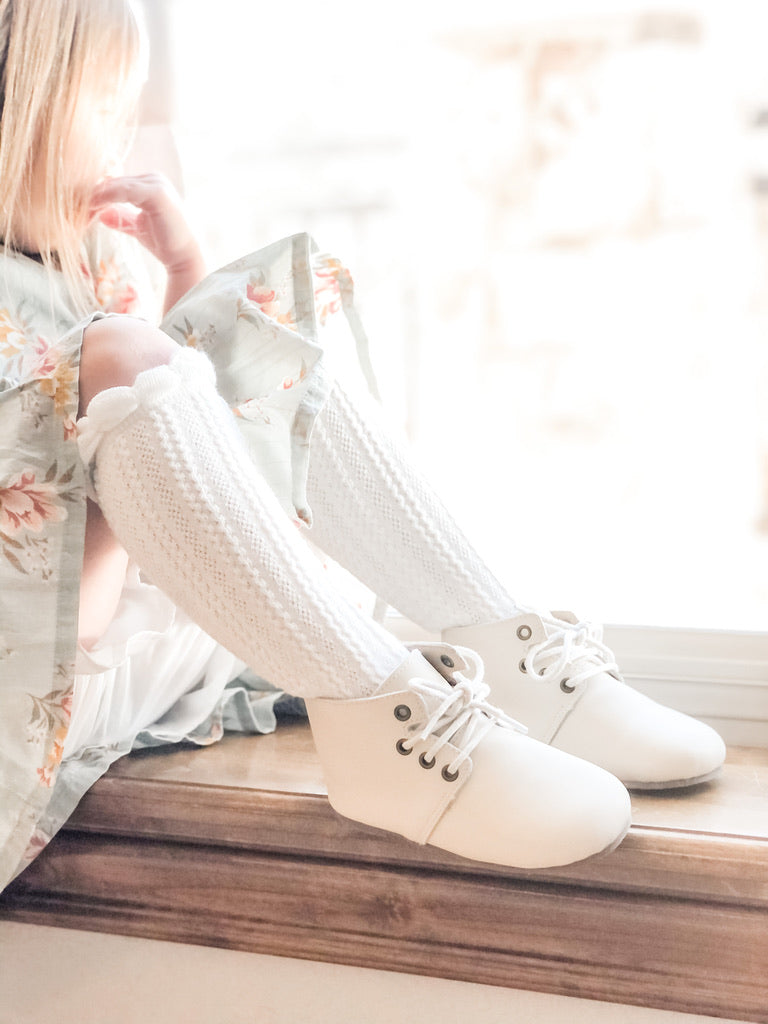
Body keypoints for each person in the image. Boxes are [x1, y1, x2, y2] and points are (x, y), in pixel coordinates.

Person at [0, 0, 725, 893]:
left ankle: (505, 651)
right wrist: (111, 419)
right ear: (24, 107)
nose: (121, 144)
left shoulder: (76, 270)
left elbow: (240, 502)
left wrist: (191, 290)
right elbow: (63, 620)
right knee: (132, 350)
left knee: (237, 310)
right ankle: (380, 712)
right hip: (54, 667)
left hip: (177, 637)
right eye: (103, 110)